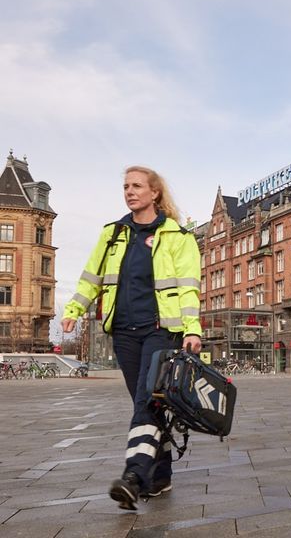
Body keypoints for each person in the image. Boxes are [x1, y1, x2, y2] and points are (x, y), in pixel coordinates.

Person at [61, 166, 202, 510]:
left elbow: (188, 288)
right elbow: (90, 278)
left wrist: (192, 328)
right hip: (123, 330)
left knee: (145, 400)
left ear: (155, 193)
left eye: (137, 186)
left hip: (160, 330)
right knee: (150, 403)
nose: (129, 191)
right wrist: (73, 311)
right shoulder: (113, 234)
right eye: (126, 186)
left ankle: (134, 477)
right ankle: (162, 474)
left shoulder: (177, 237)